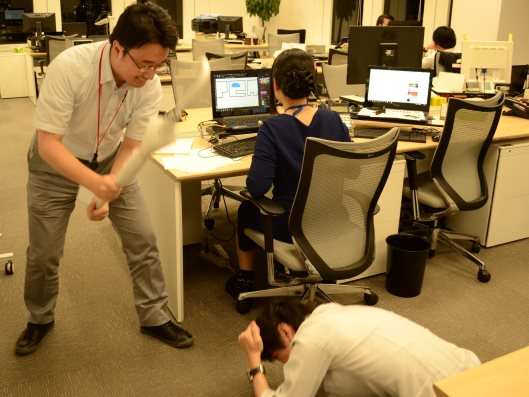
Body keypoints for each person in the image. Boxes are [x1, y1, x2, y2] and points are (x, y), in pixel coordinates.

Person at [15, 2, 194, 356]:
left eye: (159, 65)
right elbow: (49, 145)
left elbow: (131, 145)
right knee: (44, 253)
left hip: (111, 159)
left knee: (143, 238)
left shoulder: (149, 84)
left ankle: (155, 316)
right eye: (144, 64)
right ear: (117, 48)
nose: (150, 74)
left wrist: (109, 188)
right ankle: (40, 318)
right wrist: (96, 186)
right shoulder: (69, 69)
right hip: (54, 164)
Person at [224, 49, 351, 298]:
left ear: (275, 85)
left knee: (245, 209)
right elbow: (351, 170)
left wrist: (262, 157)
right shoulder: (334, 119)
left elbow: (258, 187)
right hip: (334, 218)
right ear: (311, 81)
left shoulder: (272, 128)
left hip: (291, 224)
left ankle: (246, 280)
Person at [238, 299, 481, 397]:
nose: (289, 364)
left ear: (285, 331)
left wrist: (253, 362)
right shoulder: (330, 312)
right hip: (473, 371)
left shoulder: (310, 340)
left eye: (283, 357)